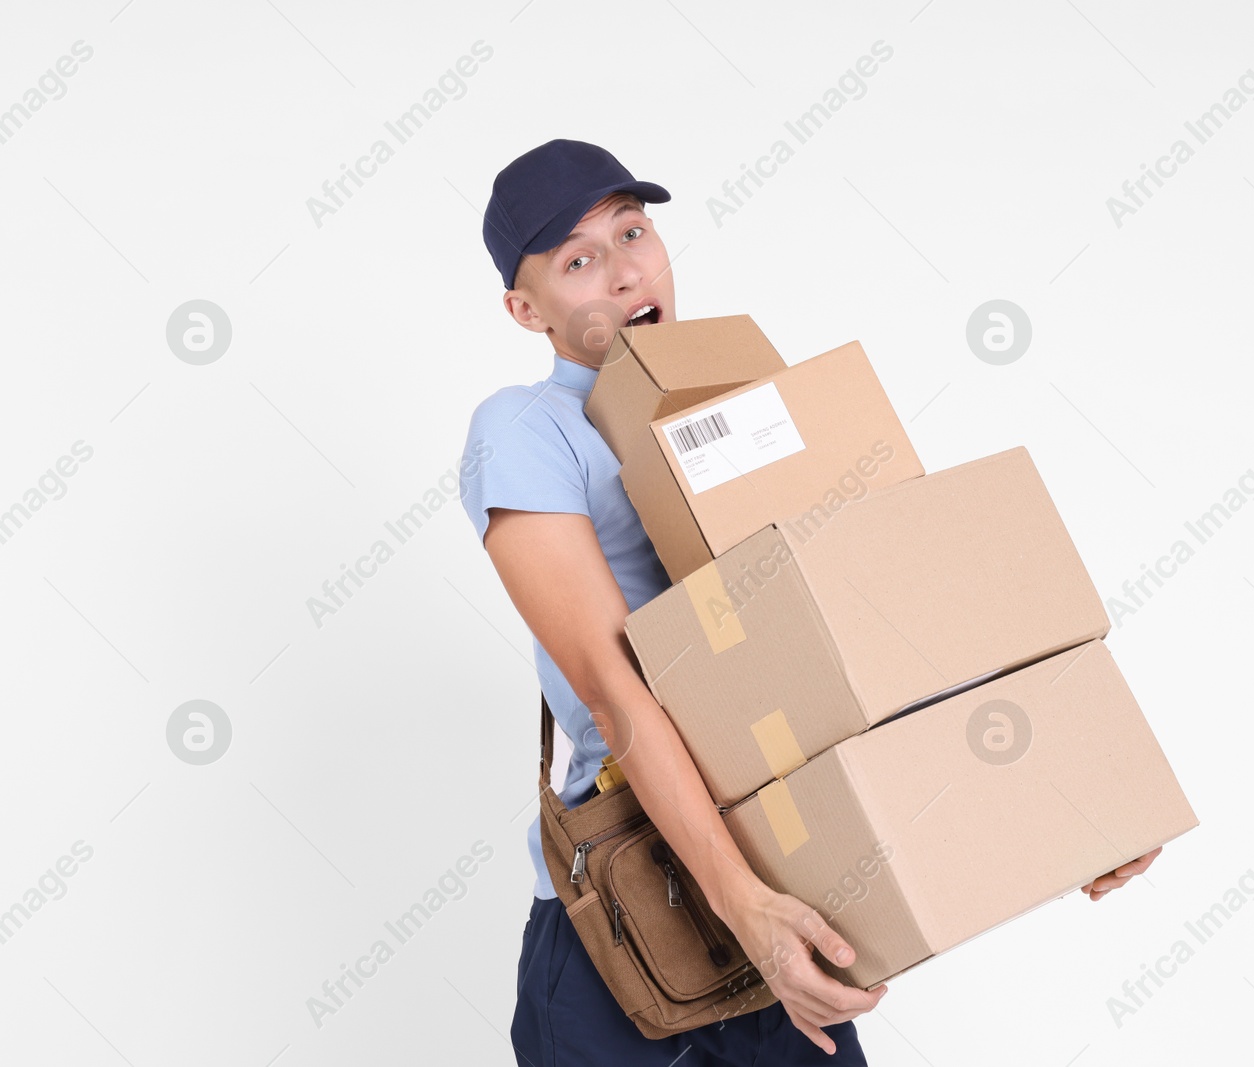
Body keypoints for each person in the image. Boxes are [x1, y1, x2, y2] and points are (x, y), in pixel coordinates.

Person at [459, 139, 1160, 1066]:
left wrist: (1065, 813)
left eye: (635, 231)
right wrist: (742, 906)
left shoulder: (749, 406)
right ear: (526, 307)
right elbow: (612, 691)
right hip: (638, 916)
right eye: (579, 259)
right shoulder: (525, 429)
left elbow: (875, 645)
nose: (627, 270)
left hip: (787, 894)